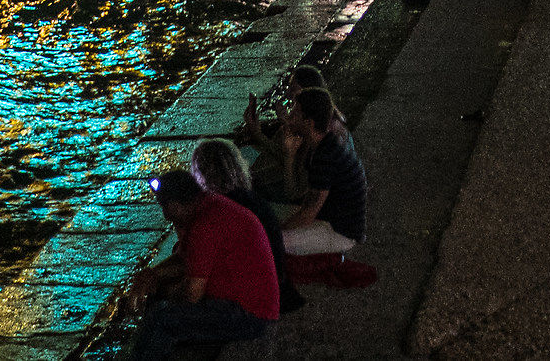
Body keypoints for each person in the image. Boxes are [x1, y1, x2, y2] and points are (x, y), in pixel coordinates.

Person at [124, 169, 280, 360]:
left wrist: (167, 294)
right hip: (245, 301)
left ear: (176, 204)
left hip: (250, 314)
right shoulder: (209, 205)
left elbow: (192, 293)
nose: (165, 216)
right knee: (160, 300)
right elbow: (185, 258)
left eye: (166, 208)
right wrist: (152, 274)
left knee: (161, 317)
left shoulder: (205, 226)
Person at [189, 138, 302, 318]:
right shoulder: (252, 197)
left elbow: (198, 261)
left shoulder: (222, 210)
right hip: (279, 286)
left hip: (257, 300)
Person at [279, 87, 368, 257]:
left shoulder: (325, 156)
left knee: (269, 241)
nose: (290, 118)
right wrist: (290, 155)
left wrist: (274, 231)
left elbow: (307, 214)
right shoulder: (322, 146)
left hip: (340, 233)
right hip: (328, 219)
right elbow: (297, 197)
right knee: (267, 214)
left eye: (295, 114)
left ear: (309, 122)